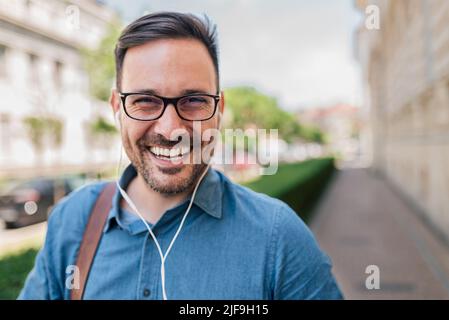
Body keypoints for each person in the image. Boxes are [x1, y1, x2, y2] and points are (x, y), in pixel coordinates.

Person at [19, 12, 343, 300]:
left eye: (193, 101)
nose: (171, 128)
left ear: (220, 110)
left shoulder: (278, 238)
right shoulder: (71, 222)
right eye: (145, 100)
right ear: (117, 109)